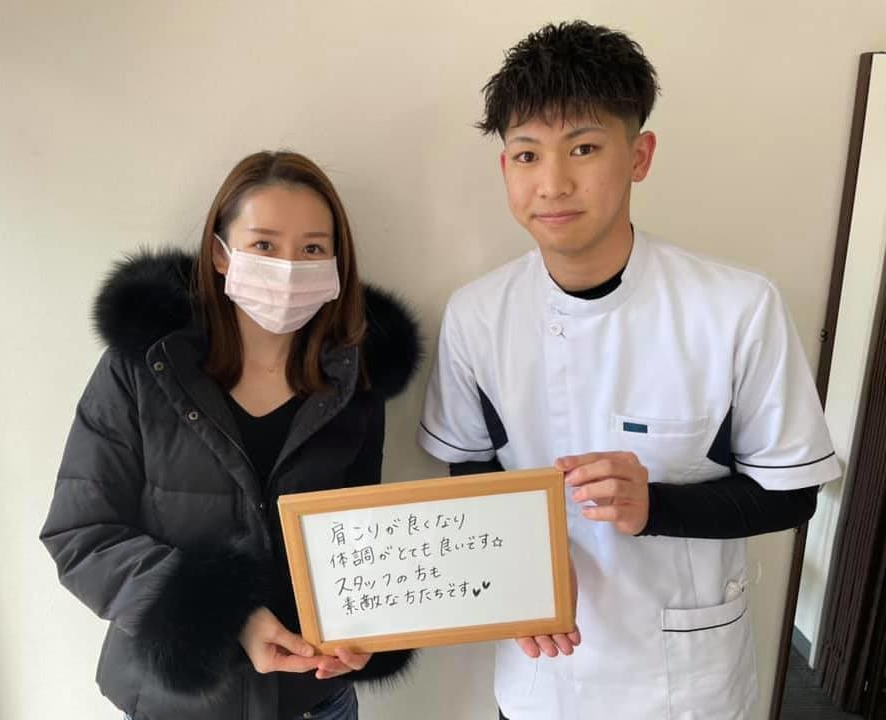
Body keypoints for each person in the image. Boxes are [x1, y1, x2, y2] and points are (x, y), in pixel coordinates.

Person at [418, 21, 840, 720]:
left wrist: (656, 508)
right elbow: (471, 472)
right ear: (505, 169)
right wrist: (521, 572)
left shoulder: (736, 307)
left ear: (639, 156)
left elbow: (791, 494)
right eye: (527, 154)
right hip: (541, 676)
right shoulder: (476, 315)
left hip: (684, 682)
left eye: (583, 148)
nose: (553, 183)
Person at [41, 150, 420, 720]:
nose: (288, 268)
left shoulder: (355, 380)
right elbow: (80, 534)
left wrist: (366, 631)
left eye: (312, 249)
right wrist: (226, 618)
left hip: (316, 699)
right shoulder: (143, 367)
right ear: (220, 254)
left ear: (336, 263)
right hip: (178, 706)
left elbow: (360, 537)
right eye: (264, 245)